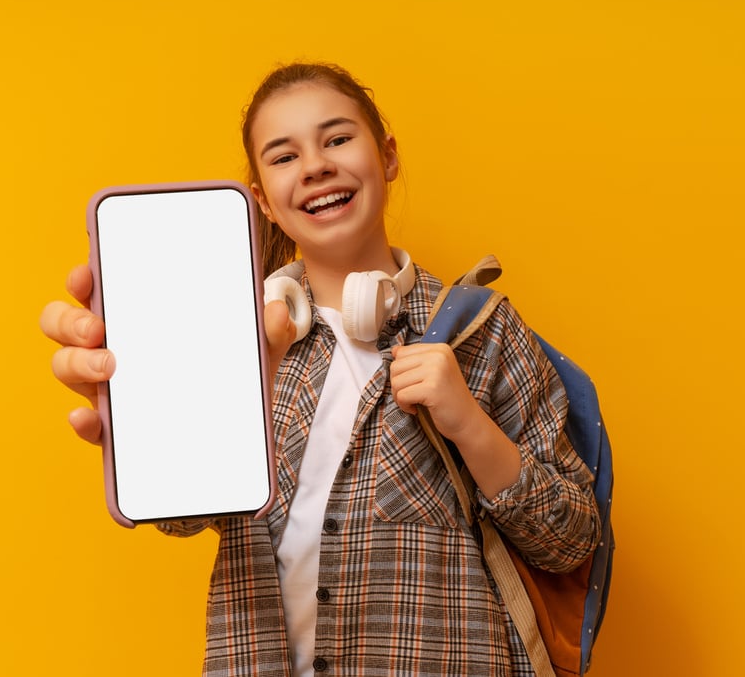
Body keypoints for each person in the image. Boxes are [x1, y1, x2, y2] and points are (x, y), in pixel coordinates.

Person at [40, 62, 600, 676]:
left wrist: (469, 424)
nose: (314, 166)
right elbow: (179, 518)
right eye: (283, 157)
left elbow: (571, 541)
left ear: (387, 157)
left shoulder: (482, 330)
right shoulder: (233, 340)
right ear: (262, 203)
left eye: (337, 139)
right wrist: (175, 413)